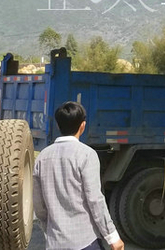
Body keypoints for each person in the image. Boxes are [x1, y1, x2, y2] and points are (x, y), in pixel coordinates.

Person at [33, 101, 124, 250]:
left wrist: (50, 231)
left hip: (55, 243)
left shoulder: (42, 157)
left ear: (58, 125)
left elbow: (39, 207)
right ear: (82, 125)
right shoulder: (87, 155)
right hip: (85, 242)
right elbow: (95, 200)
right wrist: (112, 236)